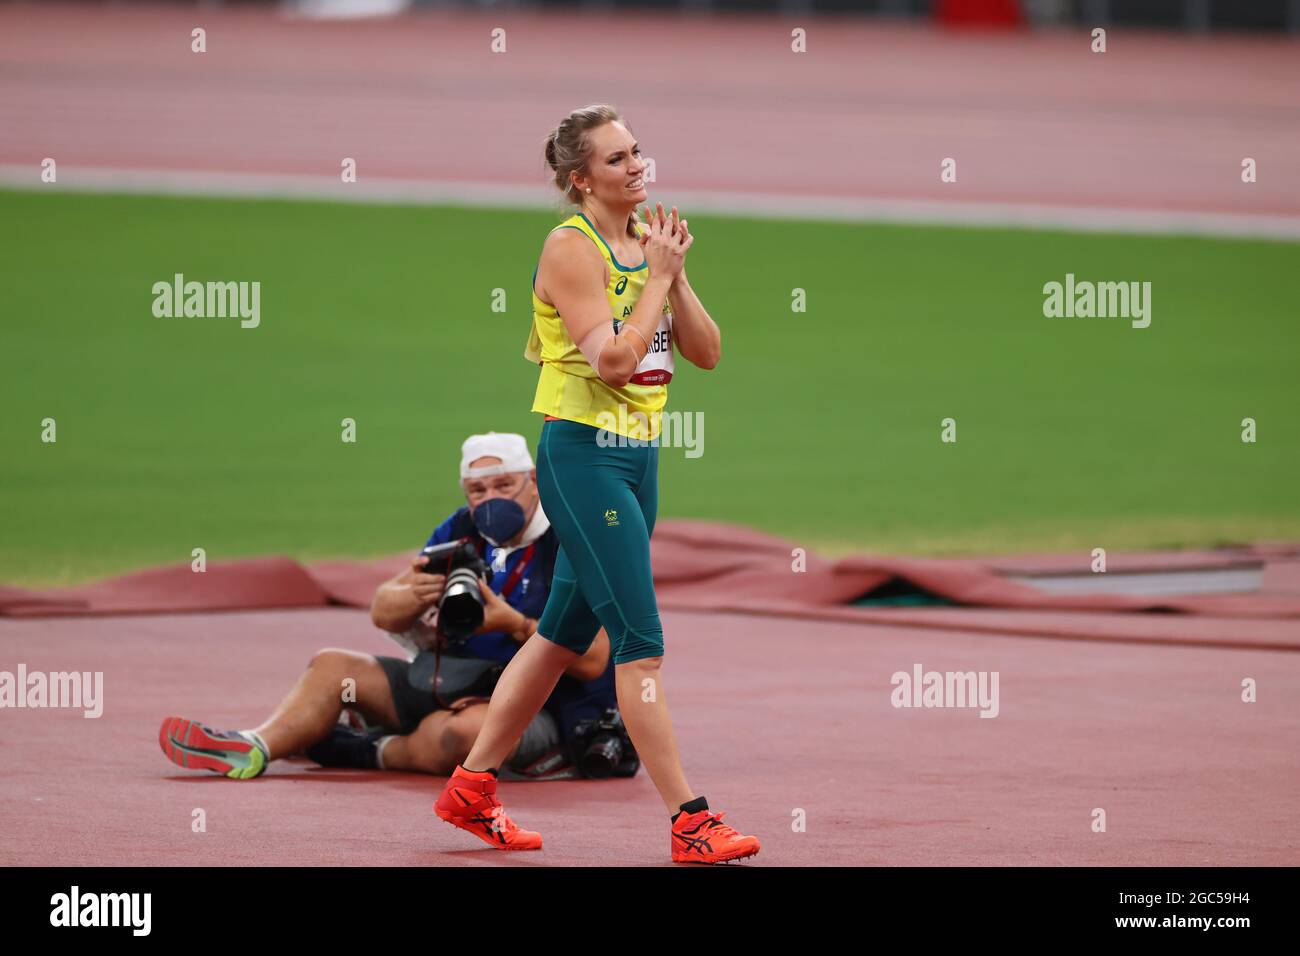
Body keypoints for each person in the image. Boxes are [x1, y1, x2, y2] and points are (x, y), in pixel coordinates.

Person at [431, 105, 761, 864]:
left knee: (558, 637)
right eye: (617, 160)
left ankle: (471, 790)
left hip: (640, 458)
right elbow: (613, 360)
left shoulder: (647, 245)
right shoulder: (569, 249)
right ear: (581, 179)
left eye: (638, 151)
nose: (637, 166)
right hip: (583, 458)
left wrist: (669, 275)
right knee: (638, 645)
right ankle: (691, 821)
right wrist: (655, 280)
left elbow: (706, 352)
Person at [158, 432, 622, 782]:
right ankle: (255, 746)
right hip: (450, 680)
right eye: (478, 492)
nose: (490, 501)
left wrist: (514, 624)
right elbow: (383, 609)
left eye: (503, 485)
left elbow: (595, 659)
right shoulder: (460, 531)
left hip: (533, 703)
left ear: (535, 481)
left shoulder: (568, 539)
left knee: (462, 735)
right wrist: (414, 596)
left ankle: (357, 746)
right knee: (332, 667)